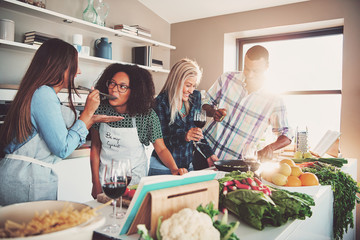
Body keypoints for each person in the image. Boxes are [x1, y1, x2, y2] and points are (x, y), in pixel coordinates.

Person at [0, 38, 122, 206]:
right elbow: (62, 148)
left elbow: (61, 127)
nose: (79, 71)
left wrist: (90, 118)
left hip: (27, 178)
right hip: (26, 180)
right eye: (75, 64)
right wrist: (88, 112)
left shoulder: (42, 93)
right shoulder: (44, 94)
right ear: (58, 66)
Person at [90, 63, 187, 198]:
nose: (114, 90)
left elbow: (161, 149)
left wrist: (174, 169)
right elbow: (95, 147)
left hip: (134, 181)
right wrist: (95, 183)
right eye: (112, 83)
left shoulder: (146, 116)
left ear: (134, 91)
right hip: (106, 179)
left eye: (122, 86)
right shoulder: (100, 110)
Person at [202, 45, 292, 161]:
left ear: (266, 67)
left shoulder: (274, 100)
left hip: (235, 164)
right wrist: (213, 112)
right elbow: (204, 102)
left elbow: (287, 133)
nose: (249, 75)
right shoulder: (227, 79)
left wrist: (270, 148)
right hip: (205, 152)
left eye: (256, 71)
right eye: (246, 68)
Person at [148, 58, 218, 175]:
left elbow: (197, 132)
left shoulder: (195, 97)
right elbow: (162, 142)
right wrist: (184, 136)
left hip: (187, 167)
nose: (191, 90)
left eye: (194, 86)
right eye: (188, 85)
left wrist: (209, 154)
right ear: (176, 82)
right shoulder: (159, 103)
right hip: (163, 167)